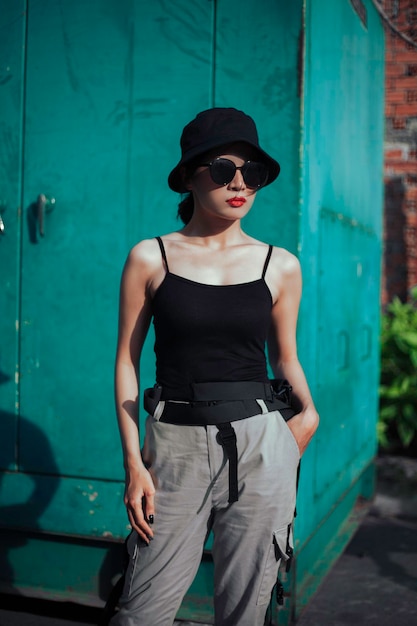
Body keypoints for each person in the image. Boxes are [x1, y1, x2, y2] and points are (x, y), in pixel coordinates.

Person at [110, 107, 319, 626]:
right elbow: (126, 363)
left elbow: (285, 358)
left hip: (261, 443)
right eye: (224, 170)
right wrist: (134, 462)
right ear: (189, 176)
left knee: (246, 613)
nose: (240, 183)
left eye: (253, 172)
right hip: (175, 448)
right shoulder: (151, 257)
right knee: (141, 613)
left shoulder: (280, 264)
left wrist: (308, 417)